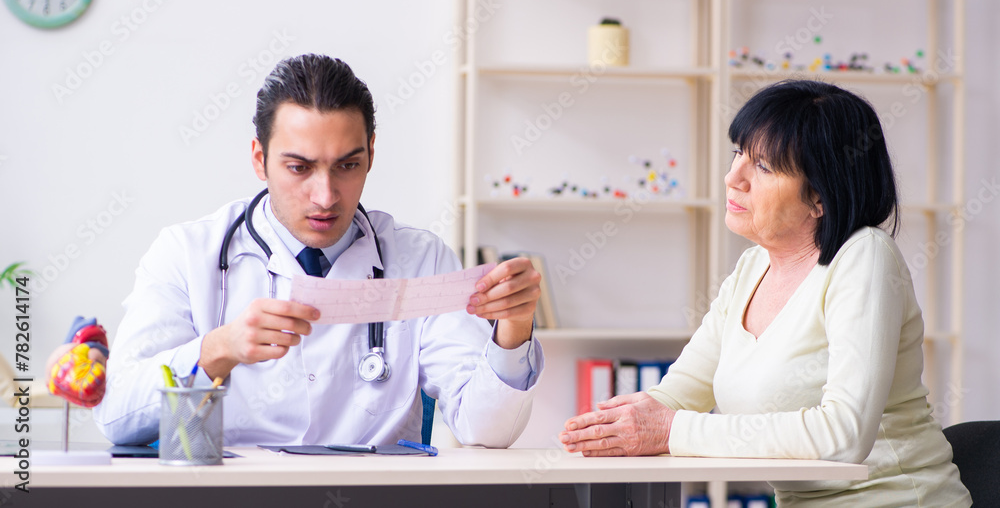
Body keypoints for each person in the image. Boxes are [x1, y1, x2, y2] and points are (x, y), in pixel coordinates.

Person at [94, 54, 544, 448]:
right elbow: (117, 416)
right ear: (259, 159)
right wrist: (218, 348)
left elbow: (487, 431)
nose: (325, 196)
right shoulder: (187, 253)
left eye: (347, 165)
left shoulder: (420, 258)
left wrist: (515, 327)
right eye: (299, 167)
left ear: (370, 154)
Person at [559, 80, 971, 506]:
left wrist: (671, 430)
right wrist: (607, 427)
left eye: (763, 167)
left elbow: (844, 434)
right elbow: (676, 396)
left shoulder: (864, 258)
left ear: (820, 197)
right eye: (738, 153)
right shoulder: (752, 268)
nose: (732, 178)